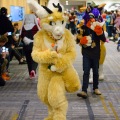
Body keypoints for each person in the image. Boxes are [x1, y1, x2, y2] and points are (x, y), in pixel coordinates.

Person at [77, 7, 106, 99]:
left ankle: (95, 88)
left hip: (96, 52)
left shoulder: (98, 26)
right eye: (90, 18)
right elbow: (77, 39)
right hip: (86, 52)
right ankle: (84, 90)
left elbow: (104, 39)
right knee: (86, 71)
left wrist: (100, 32)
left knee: (96, 72)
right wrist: (81, 40)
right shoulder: (83, 27)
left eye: (93, 18)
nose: (91, 20)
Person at [20, 14, 40, 79]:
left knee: (28, 60)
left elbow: (21, 37)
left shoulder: (23, 27)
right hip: (34, 45)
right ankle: (33, 70)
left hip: (26, 46)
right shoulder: (35, 27)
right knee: (35, 59)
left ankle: (30, 73)